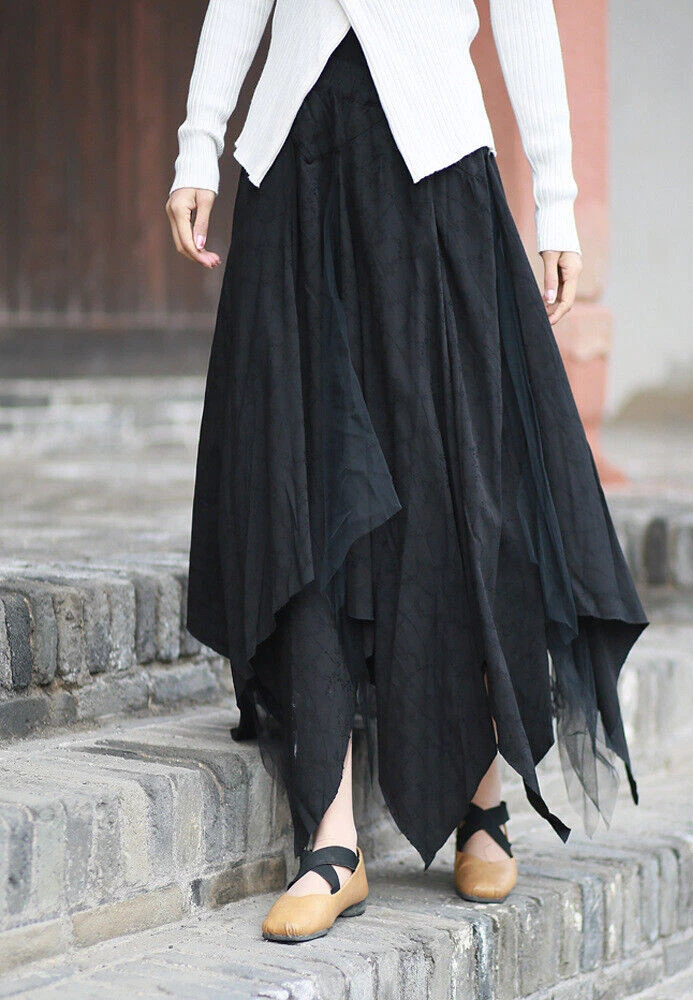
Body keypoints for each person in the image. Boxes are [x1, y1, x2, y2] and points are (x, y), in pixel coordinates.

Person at [165, 0, 649, 944]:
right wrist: (198, 144)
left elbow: (523, 12)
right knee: (303, 483)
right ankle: (332, 842)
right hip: (296, 167)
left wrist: (557, 197)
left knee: (457, 481)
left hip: (434, 173)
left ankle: (480, 794)